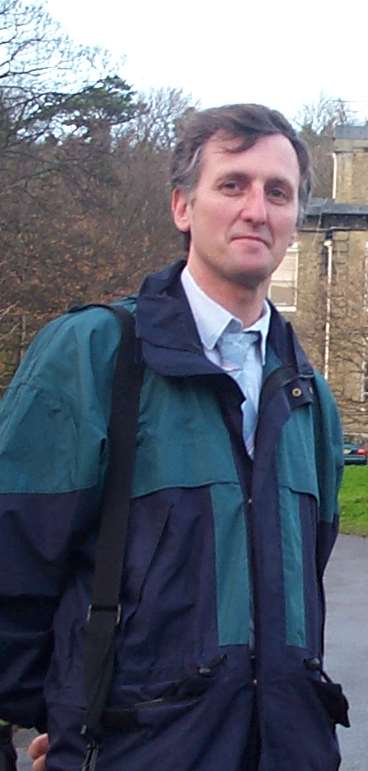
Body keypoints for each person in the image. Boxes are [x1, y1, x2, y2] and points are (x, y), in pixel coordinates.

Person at [0, 104, 347, 770]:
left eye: (278, 192)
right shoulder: (97, 354)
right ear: (183, 207)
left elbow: (304, 580)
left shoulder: (309, 396)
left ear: (295, 219)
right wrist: (61, 718)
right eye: (232, 184)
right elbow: (14, 561)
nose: (256, 208)